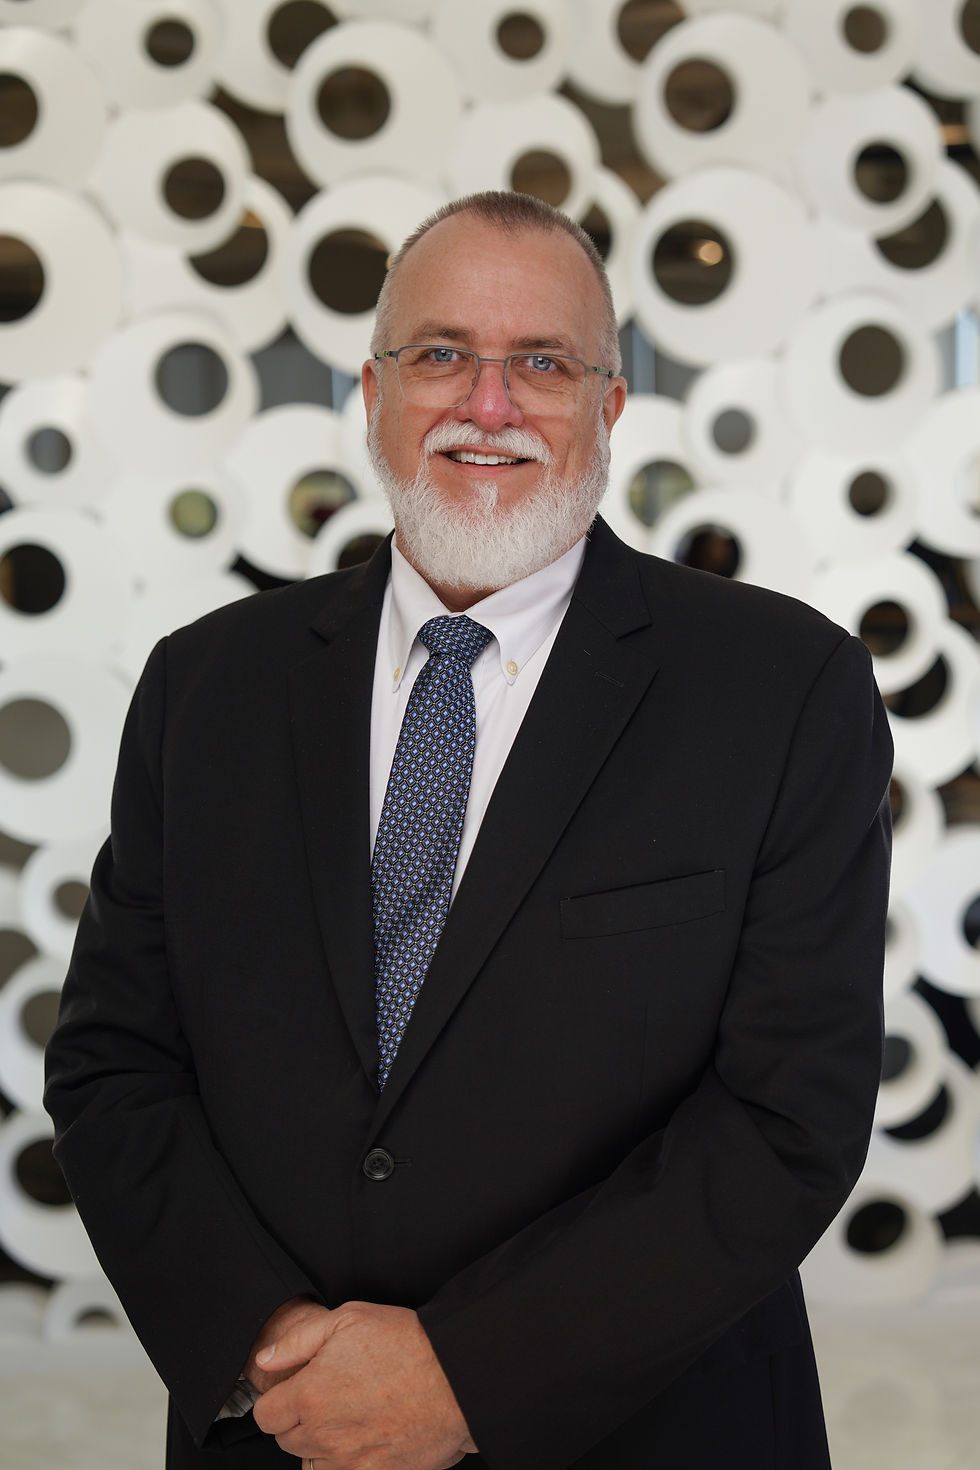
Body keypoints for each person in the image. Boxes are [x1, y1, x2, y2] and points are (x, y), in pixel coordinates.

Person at [45, 190, 892, 1470]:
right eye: (439, 353)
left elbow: (787, 1116)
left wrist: (461, 1379)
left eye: (540, 364)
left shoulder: (781, 689)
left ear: (607, 407)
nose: (484, 405)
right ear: (371, 392)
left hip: (650, 1435)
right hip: (278, 1429)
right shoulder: (205, 685)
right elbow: (114, 1060)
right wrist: (274, 1348)